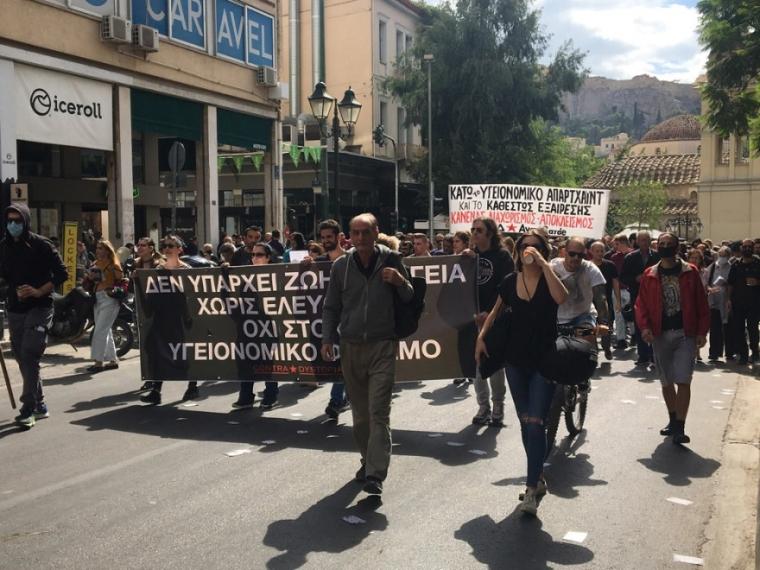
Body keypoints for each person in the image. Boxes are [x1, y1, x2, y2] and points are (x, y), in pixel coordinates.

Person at [475, 230, 569, 515]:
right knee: (525, 421)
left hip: (544, 360)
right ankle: (537, 478)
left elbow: (561, 298)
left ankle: (530, 489)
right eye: (525, 246)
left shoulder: (550, 277)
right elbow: (495, 311)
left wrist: (544, 264)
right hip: (515, 360)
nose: (529, 249)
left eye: (535, 246)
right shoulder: (509, 281)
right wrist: (481, 337)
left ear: (544, 250)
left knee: (536, 422)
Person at [321, 213, 413, 496]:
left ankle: (375, 474)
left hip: (383, 345)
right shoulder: (341, 266)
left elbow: (411, 297)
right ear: (348, 236)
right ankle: (367, 459)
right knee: (361, 417)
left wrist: (400, 281)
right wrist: (327, 338)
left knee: (378, 412)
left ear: (376, 233)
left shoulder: (392, 260)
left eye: (365, 232)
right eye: (355, 233)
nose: (360, 238)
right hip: (351, 347)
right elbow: (331, 306)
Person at [635, 233, 709, 445]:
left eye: (669, 244)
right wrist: (645, 327)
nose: (665, 247)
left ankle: (680, 427)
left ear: (677, 248)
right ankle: (672, 419)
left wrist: (702, 331)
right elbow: (641, 304)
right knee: (666, 380)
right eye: (662, 244)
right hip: (659, 334)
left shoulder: (690, 271)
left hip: (686, 333)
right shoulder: (650, 274)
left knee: (683, 379)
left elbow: (701, 303)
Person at [0, 203, 68, 428]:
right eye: (10, 221)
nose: (13, 225)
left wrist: (38, 291)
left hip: (40, 307)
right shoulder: (4, 247)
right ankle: (40, 404)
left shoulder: (42, 245)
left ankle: (27, 409)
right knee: (23, 358)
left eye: (17, 221)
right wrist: (11, 291)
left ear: (26, 221)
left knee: (30, 353)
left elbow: (62, 274)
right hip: (15, 309)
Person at [465, 217, 515, 426]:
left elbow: (508, 288)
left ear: (490, 233)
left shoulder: (502, 256)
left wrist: (492, 313)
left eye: (479, 230)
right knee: (476, 364)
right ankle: (483, 406)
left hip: (495, 318)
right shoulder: (469, 256)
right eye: (473, 229)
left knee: (493, 364)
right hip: (473, 319)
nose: (474, 233)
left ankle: (498, 406)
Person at [140, 236, 199, 404]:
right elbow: (150, 292)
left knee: (184, 351)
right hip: (161, 317)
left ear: (179, 249)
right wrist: (139, 279)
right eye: (165, 246)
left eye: (171, 246)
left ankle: (192, 386)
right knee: (156, 350)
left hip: (180, 318)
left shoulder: (187, 269)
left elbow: (192, 296)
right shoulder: (158, 269)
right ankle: (156, 390)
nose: (167, 248)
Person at [303, 219, 351, 418]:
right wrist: (305, 267)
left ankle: (338, 399)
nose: (325, 241)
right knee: (337, 361)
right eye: (322, 237)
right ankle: (342, 398)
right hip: (328, 319)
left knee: (346, 361)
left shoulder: (351, 259)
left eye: (329, 237)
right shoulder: (319, 262)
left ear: (339, 237)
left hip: (350, 320)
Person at [233, 242, 280, 410]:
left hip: (268, 326)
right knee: (246, 360)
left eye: (259, 255)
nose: (255, 258)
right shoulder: (244, 276)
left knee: (268, 362)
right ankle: (246, 396)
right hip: (247, 326)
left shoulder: (277, 275)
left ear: (268, 258)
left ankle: (271, 395)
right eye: (252, 255)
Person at [551, 237, 609, 343]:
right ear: (565, 252)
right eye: (572, 254)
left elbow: (601, 298)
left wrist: (603, 324)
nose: (576, 258)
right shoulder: (552, 267)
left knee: (587, 336)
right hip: (556, 318)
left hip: (583, 316)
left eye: (580, 255)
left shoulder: (591, 269)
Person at [621, 231, 660, 366]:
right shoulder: (630, 257)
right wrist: (635, 279)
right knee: (639, 324)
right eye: (642, 240)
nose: (645, 242)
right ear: (637, 241)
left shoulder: (657, 256)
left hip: (655, 296)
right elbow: (623, 277)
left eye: (647, 240)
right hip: (637, 295)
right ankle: (643, 355)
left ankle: (654, 355)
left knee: (655, 324)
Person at [85, 240, 124, 373]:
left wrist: (112, 278)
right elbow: (89, 281)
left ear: (107, 250)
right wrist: (90, 277)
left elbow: (122, 280)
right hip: (96, 297)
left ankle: (98, 362)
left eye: (101, 248)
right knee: (105, 330)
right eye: (97, 248)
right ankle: (113, 360)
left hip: (109, 298)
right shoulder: (95, 263)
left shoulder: (114, 264)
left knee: (99, 330)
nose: (98, 250)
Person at [727, 239, 760, 364]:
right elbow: (730, 283)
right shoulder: (735, 265)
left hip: (754, 302)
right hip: (738, 302)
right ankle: (743, 355)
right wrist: (728, 299)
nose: (747, 249)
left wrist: (757, 282)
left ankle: (755, 353)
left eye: (749, 246)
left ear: (753, 248)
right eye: (744, 246)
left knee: (753, 329)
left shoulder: (758, 263)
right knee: (738, 329)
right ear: (741, 248)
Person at [590, 241, 621, 360]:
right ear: (591, 252)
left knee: (606, 326)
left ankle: (606, 347)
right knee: (590, 327)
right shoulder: (587, 266)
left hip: (605, 302)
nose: (599, 253)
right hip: (589, 303)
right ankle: (593, 350)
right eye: (597, 251)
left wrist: (618, 301)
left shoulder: (610, 265)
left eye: (601, 251)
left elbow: (615, 283)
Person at [705, 246, 731, 362]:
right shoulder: (712, 267)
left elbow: (734, 282)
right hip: (713, 300)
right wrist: (709, 289)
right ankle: (714, 352)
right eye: (720, 255)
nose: (722, 257)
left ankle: (729, 352)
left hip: (726, 301)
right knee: (715, 328)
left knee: (728, 327)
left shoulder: (732, 267)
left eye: (724, 255)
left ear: (728, 256)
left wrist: (727, 285)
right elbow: (706, 281)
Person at [609, 234, 632, 348]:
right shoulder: (614, 257)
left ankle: (634, 335)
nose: (615, 247)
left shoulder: (633, 255)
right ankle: (621, 339)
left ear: (623, 243)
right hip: (617, 289)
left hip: (630, 289)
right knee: (618, 315)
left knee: (631, 315)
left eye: (617, 244)